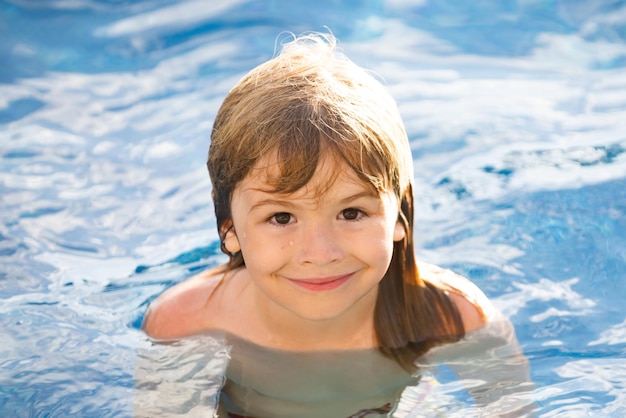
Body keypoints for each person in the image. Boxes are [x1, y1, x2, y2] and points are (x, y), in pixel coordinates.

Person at [140, 33, 533, 417]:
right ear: (229, 230)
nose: (321, 253)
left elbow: (514, 409)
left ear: (398, 214)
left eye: (351, 213)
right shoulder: (187, 324)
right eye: (281, 217)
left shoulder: (453, 319)